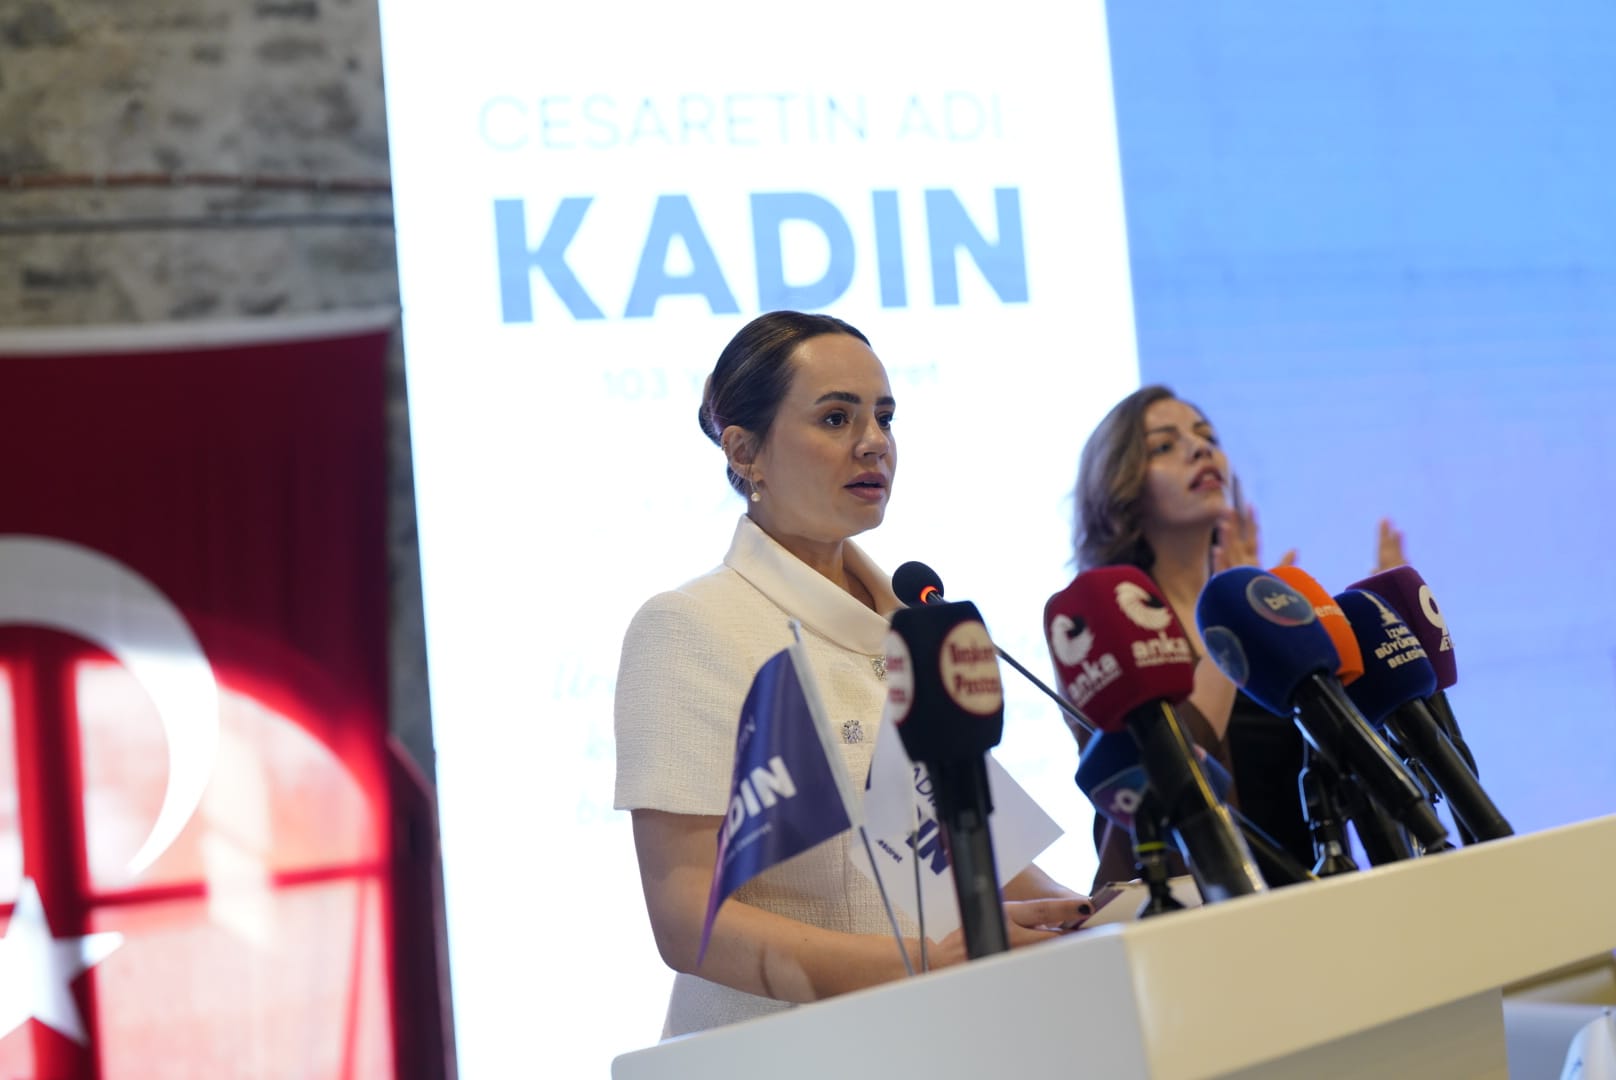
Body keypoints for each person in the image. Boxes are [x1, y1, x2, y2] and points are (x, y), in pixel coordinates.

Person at [614, 311, 1091, 1037]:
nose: (874, 442)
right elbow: (688, 921)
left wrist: (1097, 919)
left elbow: (986, 863)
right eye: (837, 418)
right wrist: (925, 964)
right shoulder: (691, 626)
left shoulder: (913, 623)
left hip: (937, 1040)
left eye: (884, 418)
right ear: (745, 451)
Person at [1064, 384, 1406, 889]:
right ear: (1119, 485)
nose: (1200, 450)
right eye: (1165, 445)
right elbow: (1163, 772)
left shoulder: (1265, 605)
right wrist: (1232, 630)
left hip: (1311, 898)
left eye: (1207, 437)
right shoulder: (1103, 625)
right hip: (1198, 908)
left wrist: (1376, 649)